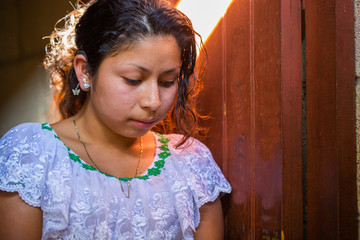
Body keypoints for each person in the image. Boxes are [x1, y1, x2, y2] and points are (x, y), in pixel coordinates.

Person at [0, 0, 231, 239]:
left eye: (167, 82)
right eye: (132, 79)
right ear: (85, 71)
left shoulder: (191, 165)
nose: (153, 101)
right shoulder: (32, 156)